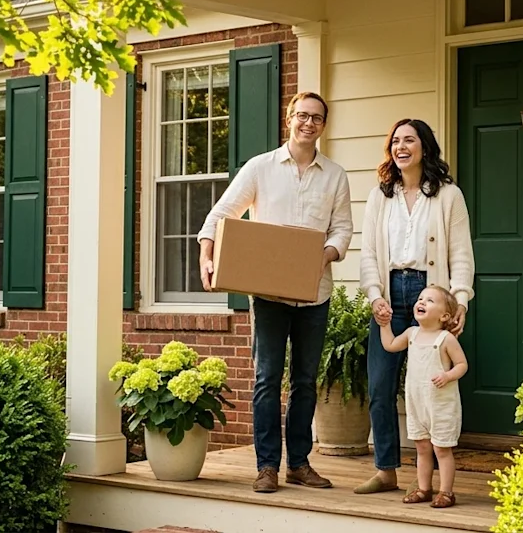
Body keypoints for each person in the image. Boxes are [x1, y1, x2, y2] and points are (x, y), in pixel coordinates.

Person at [197, 91, 353, 494]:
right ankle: (267, 466)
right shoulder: (260, 168)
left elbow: (342, 229)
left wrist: (322, 257)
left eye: (317, 118)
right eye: (302, 115)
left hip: (314, 294)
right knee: (267, 378)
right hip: (267, 296)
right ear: (289, 118)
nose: (308, 123)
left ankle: (299, 464)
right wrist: (206, 256)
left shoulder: (334, 175)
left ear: (324, 124)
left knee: (304, 380)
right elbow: (221, 214)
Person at [356, 118, 474, 495]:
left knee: (432, 388)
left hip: (430, 295)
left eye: (409, 140)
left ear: (424, 146)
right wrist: (375, 296)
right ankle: (386, 469)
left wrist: (461, 301)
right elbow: (369, 254)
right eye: (395, 141)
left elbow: (461, 254)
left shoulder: (448, 195)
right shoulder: (380, 196)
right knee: (380, 385)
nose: (401, 146)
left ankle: (439, 482)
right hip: (390, 297)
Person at [375, 284, 468, 508]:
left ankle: (446, 492)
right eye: (421, 298)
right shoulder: (411, 334)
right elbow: (389, 345)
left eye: (430, 300)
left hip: (440, 405)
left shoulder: (445, 339)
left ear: (445, 315)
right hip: (417, 403)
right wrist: (385, 324)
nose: (422, 302)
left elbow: (462, 364)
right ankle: (424, 489)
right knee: (422, 448)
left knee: (442, 449)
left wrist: (447, 376)